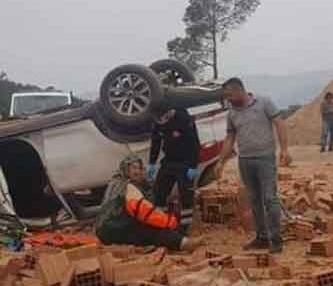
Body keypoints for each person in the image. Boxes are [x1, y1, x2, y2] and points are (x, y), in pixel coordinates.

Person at [215, 77, 291, 254]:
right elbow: (229, 138)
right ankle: (262, 237)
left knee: (270, 198)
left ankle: (276, 239)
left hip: (265, 159)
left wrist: (284, 149)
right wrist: (221, 161)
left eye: (229, 96)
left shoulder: (264, 102)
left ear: (239, 90)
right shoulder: (232, 113)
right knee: (255, 200)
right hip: (245, 161)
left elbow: (279, 123)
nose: (228, 100)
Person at [95, 155, 202, 251]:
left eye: (139, 168)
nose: (138, 171)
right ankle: (183, 243)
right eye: (134, 168)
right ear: (126, 169)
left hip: (105, 229)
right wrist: (169, 222)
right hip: (115, 227)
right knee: (153, 231)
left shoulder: (115, 183)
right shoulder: (128, 187)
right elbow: (145, 212)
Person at [147, 101, 201, 234]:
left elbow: (195, 143)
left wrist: (193, 166)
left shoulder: (184, 119)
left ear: (170, 112)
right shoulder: (157, 122)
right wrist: (152, 163)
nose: (161, 122)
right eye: (158, 120)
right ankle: (161, 224)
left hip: (186, 163)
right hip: (169, 161)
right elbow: (156, 142)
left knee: (186, 195)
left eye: (163, 119)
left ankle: (184, 228)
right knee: (159, 193)